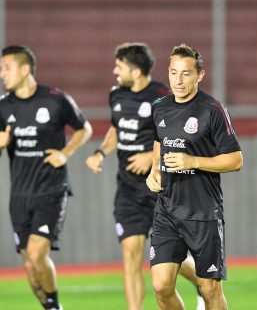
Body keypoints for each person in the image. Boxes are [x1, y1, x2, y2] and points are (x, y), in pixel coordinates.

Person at [85, 42, 204, 310]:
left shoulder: (162, 96)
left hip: (159, 187)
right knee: (131, 255)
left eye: (119, 65)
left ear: (136, 70)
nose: (115, 70)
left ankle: (200, 281)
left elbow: (180, 135)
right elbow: (117, 128)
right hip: (127, 190)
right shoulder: (116, 95)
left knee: (167, 257)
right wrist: (101, 152)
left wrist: (151, 158)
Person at [146, 44, 243, 310]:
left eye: (186, 73)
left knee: (210, 289)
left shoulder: (213, 109)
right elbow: (159, 144)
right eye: (174, 73)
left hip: (203, 213)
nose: (178, 80)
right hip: (167, 210)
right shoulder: (160, 108)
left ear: (199, 75)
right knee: (161, 286)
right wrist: (154, 171)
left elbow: (236, 160)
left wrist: (193, 161)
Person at [0, 45, 92, 310]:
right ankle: (52, 306)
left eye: (7, 67)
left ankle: (54, 306)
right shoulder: (4, 107)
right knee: (29, 265)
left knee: (38, 253)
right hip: (19, 196)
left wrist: (66, 153)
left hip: (51, 190)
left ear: (25, 69)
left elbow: (84, 129)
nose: (2, 74)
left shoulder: (55, 99)